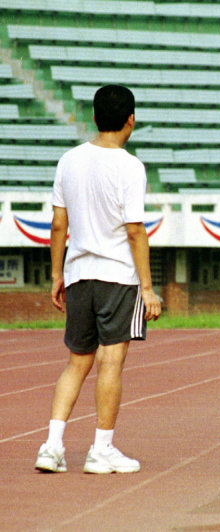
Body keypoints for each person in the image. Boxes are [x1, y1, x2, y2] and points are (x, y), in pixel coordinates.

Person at [35, 84, 161, 475]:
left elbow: (58, 224)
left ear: (94, 117)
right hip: (117, 276)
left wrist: (57, 274)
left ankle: (51, 446)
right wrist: (148, 288)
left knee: (77, 362)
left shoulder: (69, 160)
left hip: (78, 274)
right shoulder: (130, 166)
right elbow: (135, 230)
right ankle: (101, 449)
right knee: (111, 361)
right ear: (131, 120)